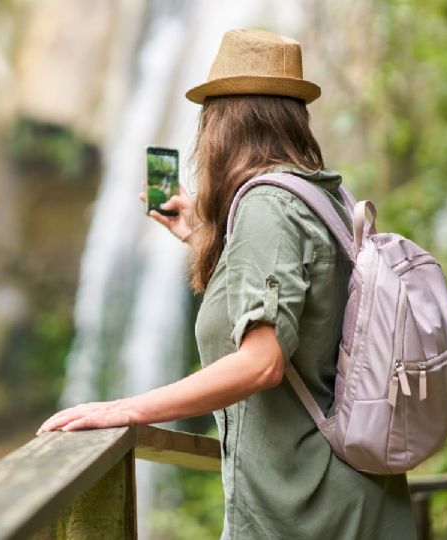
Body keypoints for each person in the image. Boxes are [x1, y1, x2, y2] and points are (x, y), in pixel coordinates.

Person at [38, 29, 417, 539]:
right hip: (361, 499)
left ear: (222, 123)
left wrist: (125, 408)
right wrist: (200, 235)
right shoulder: (326, 198)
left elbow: (262, 362)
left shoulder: (267, 207)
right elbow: (310, 318)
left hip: (308, 511)